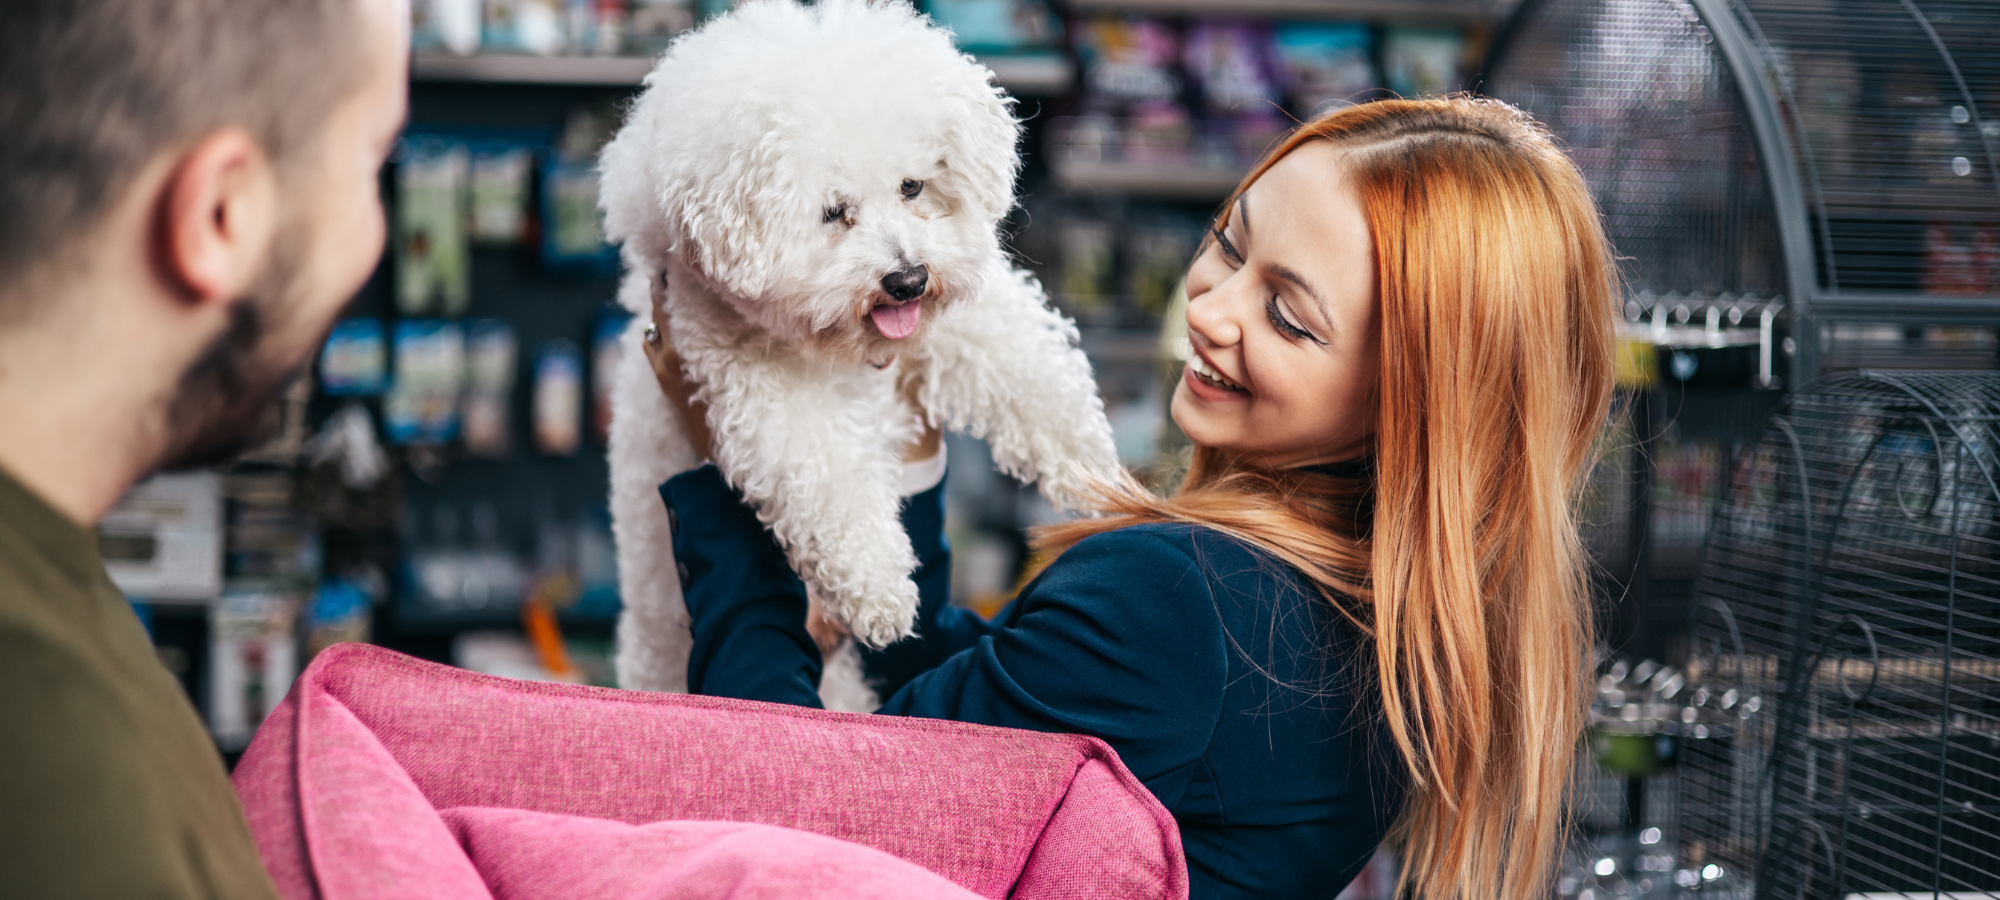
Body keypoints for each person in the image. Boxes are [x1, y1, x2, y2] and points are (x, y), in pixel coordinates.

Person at [645, 96, 1618, 900]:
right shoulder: (1375, 621)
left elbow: (782, 805)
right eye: (1227, 245)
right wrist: (899, 467)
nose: (1211, 308)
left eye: (1286, 315)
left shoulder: (1183, 599)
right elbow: (954, 718)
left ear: (1413, 400)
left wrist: (713, 469)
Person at [0, 0, 408, 895]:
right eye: (370, 164)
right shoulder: (55, 766)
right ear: (220, 214)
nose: (374, 243)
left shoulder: (51, 596)